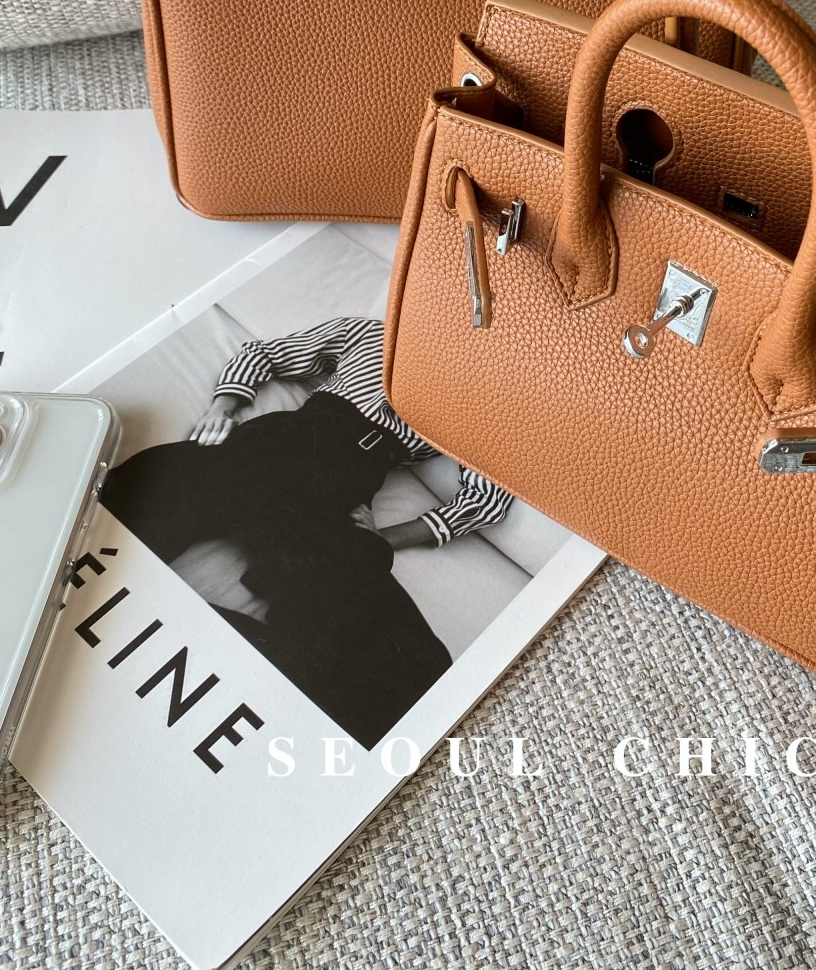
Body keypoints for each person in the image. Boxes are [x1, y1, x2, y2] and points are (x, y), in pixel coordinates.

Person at [101, 316, 513, 747]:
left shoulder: (480, 403)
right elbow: (265, 353)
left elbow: (489, 496)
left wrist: (387, 537)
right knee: (153, 493)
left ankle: (248, 683)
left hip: (342, 489)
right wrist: (223, 407)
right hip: (277, 445)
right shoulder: (375, 333)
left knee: (378, 637)